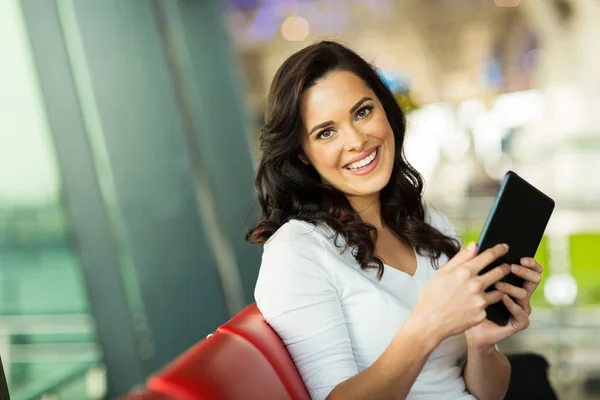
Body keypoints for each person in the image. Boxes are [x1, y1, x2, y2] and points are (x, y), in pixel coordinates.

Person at [247, 41, 543, 400]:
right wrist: (428, 325)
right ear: (302, 153)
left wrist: (481, 343)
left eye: (362, 112)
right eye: (326, 132)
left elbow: (488, 393)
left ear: (385, 111)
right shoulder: (297, 251)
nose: (356, 140)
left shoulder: (425, 222)